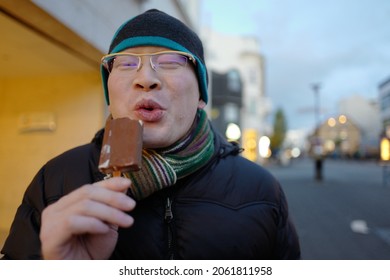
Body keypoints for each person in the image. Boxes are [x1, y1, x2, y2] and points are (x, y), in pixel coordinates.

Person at [1, 9, 300, 260]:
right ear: (109, 91)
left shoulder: (261, 191)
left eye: (170, 62)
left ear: (201, 94)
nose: (145, 79)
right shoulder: (55, 181)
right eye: (127, 64)